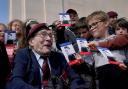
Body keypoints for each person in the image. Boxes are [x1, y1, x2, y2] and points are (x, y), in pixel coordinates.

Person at [6, 23, 87, 89]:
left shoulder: (59, 57)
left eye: (50, 35)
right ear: (31, 42)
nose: (49, 38)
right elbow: (16, 80)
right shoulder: (23, 54)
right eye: (43, 34)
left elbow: (75, 78)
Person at [86, 11, 128, 89]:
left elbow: (123, 40)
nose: (92, 28)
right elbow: (88, 69)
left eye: (94, 24)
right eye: (90, 26)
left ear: (106, 23)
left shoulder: (118, 38)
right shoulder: (90, 45)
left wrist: (99, 45)